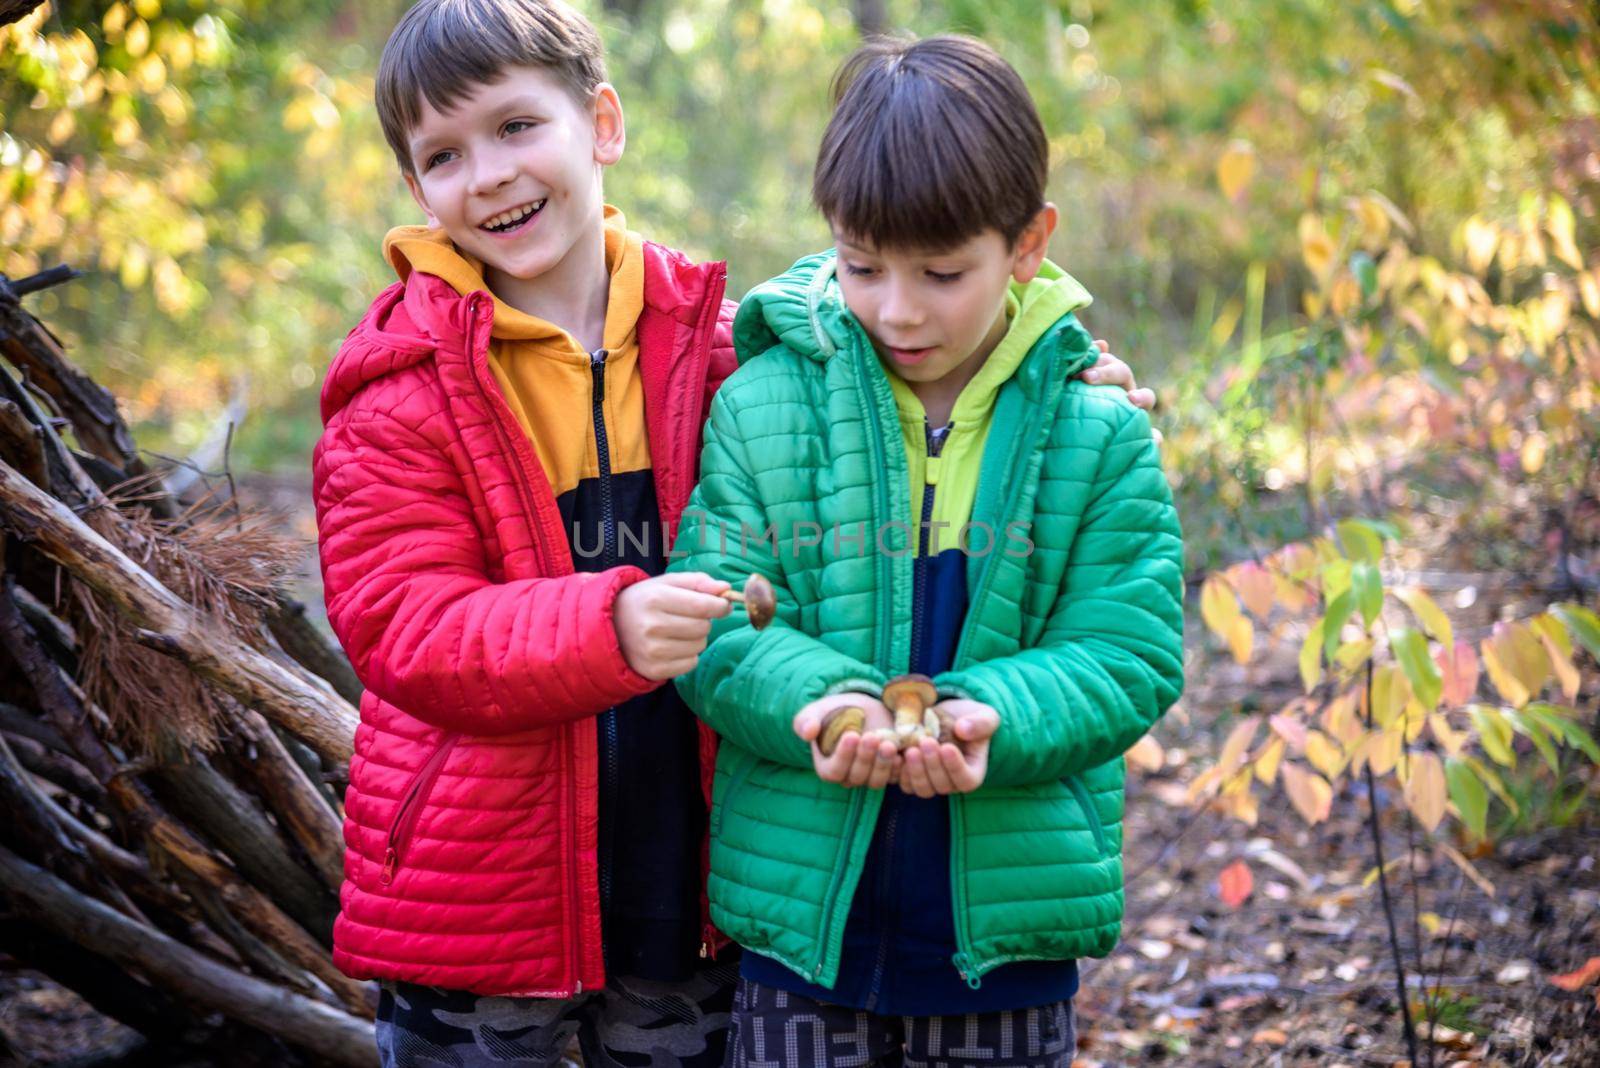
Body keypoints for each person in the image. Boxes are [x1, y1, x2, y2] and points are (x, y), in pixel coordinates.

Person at [314, 3, 1151, 1063]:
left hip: (684, 880)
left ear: (601, 123)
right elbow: (402, 625)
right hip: (485, 888)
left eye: (517, 127)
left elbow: (871, 342)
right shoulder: (402, 386)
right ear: (414, 187)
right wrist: (606, 624)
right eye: (443, 154)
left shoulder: (711, 342)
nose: (487, 174)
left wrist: (1054, 367)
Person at [672, 34, 1185, 1068]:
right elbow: (719, 618)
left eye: (943, 273)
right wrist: (817, 702)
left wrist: (1002, 713)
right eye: (862, 266)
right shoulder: (763, 406)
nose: (898, 309)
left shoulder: (1096, 436)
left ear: (1028, 244)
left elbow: (1129, 650)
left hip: (1006, 937)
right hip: (799, 934)